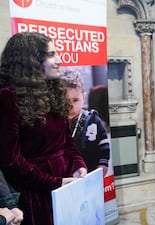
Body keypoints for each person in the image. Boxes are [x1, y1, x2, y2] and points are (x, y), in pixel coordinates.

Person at [0, 32, 88, 225]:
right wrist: (52, 182)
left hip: (65, 184)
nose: (58, 60)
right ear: (31, 60)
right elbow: (10, 160)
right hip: (34, 192)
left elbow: (67, 142)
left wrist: (78, 164)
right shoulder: (8, 97)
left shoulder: (54, 91)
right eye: (51, 54)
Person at [61, 70, 110, 176]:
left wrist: (103, 164)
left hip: (91, 172)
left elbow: (103, 144)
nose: (70, 106)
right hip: (67, 176)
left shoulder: (93, 120)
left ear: (83, 97)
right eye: (65, 101)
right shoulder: (57, 123)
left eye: (75, 100)